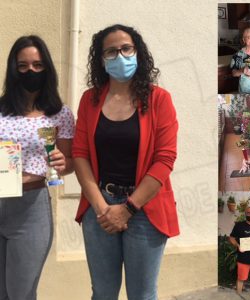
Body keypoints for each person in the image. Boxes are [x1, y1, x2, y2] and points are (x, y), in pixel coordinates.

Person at [72, 24, 179, 300]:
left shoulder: (159, 100)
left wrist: (128, 209)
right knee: (103, 293)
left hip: (145, 209)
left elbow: (164, 160)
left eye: (126, 48)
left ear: (137, 52)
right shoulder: (89, 100)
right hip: (100, 208)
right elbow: (80, 154)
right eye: (111, 51)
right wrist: (101, 208)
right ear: (101, 59)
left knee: (142, 295)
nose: (120, 56)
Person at [0, 36, 74, 299]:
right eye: (22, 66)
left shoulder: (60, 113)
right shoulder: (1, 110)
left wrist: (64, 164)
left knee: (21, 293)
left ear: (47, 68)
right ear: (13, 69)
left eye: (37, 65)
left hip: (30, 207)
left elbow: (68, 164)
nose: (30, 71)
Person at [229, 206, 250, 293]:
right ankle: (239, 294)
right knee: (241, 278)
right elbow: (231, 238)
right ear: (245, 214)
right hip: (243, 258)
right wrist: (238, 245)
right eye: (248, 213)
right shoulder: (239, 225)